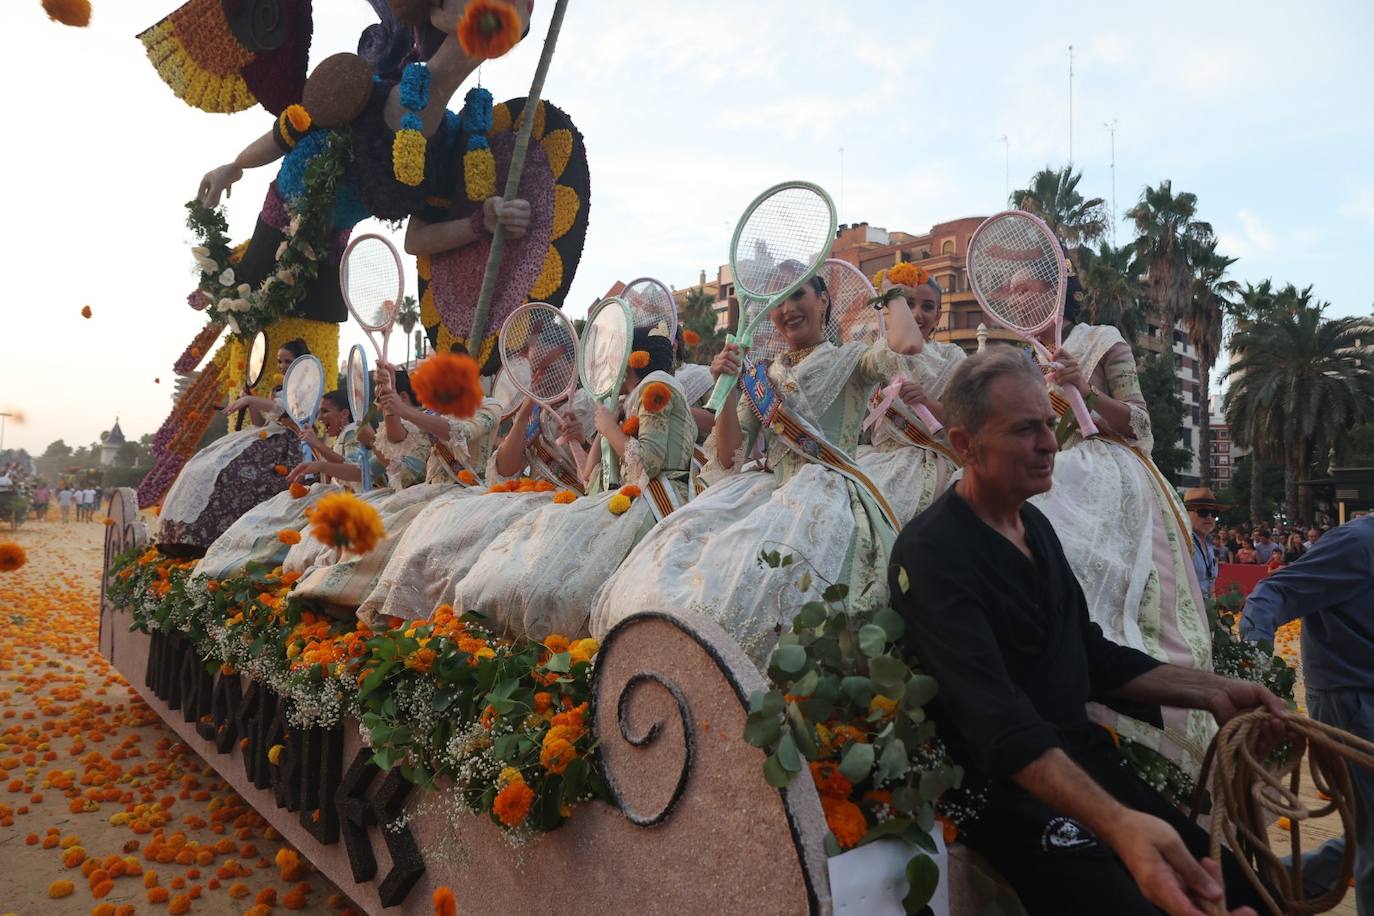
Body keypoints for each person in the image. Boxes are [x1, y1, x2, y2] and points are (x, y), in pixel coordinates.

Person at [891, 347, 1280, 916]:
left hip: (1085, 763)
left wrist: (1212, 689)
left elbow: (1090, 657)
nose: (1050, 442)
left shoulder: (1035, 527)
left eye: (1049, 423)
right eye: (1026, 429)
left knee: (1247, 891)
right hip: (1005, 794)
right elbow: (1001, 728)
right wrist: (1120, 826)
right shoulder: (932, 552)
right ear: (964, 446)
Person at [592, 267, 926, 665]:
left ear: (822, 301)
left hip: (828, 496)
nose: (787, 309)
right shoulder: (764, 376)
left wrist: (891, 295)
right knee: (684, 570)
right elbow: (731, 454)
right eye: (777, 303)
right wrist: (729, 391)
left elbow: (906, 344)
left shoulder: (853, 360)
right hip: (765, 491)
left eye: (798, 296)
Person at [1027, 285, 1214, 777]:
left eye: (1033, 279)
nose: (1021, 290)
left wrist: (1086, 392)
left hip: (1111, 478)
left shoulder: (1101, 340)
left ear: (1058, 284)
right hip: (1050, 475)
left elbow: (1140, 423)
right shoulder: (1025, 357)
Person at [455, 327, 698, 639]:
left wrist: (606, 428)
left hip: (654, 499)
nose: (612, 363)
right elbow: (589, 476)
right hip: (625, 497)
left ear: (634, 359)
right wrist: (605, 424)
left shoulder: (657, 384)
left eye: (617, 354)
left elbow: (647, 462)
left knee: (562, 576)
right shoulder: (625, 402)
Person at [1241, 514, 1374, 913]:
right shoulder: (1358, 544)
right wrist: (1256, 672)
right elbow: (1273, 592)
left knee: (1366, 830)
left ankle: (1273, 885)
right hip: (1351, 704)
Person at [856, 269, 965, 525]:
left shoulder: (952, 358)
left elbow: (966, 417)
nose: (917, 314)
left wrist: (926, 402)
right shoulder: (876, 356)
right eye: (908, 304)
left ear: (938, 314)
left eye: (927, 307)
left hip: (928, 459)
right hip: (873, 457)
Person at [1185, 487, 1226, 600]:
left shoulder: (1209, 544)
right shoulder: (1182, 542)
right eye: (1202, 512)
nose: (1209, 517)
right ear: (1185, 513)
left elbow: (1211, 583)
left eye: (1214, 513)